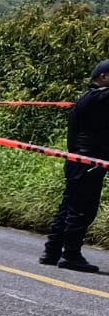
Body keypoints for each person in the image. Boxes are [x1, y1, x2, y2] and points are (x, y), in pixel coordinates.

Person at [40, 60, 109, 274]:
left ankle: (51, 252)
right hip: (88, 162)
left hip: (78, 161)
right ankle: (70, 255)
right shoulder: (100, 97)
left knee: (69, 206)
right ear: (104, 76)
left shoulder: (88, 98)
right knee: (82, 210)